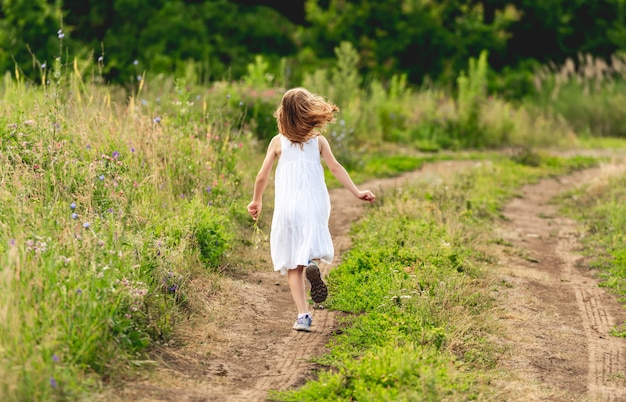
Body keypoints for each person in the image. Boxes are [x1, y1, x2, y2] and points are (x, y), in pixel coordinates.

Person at [247, 87, 376, 332]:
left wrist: (257, 201)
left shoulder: (277, 142)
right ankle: (311, 263)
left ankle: (303, 316)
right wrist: (357, 192)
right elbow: (336, 168)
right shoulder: (318, 141)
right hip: (315, 205)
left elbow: (261, 176)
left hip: (288, 207)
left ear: (283, 115)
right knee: (308, 248)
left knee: (292, 266)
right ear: (309, 113)